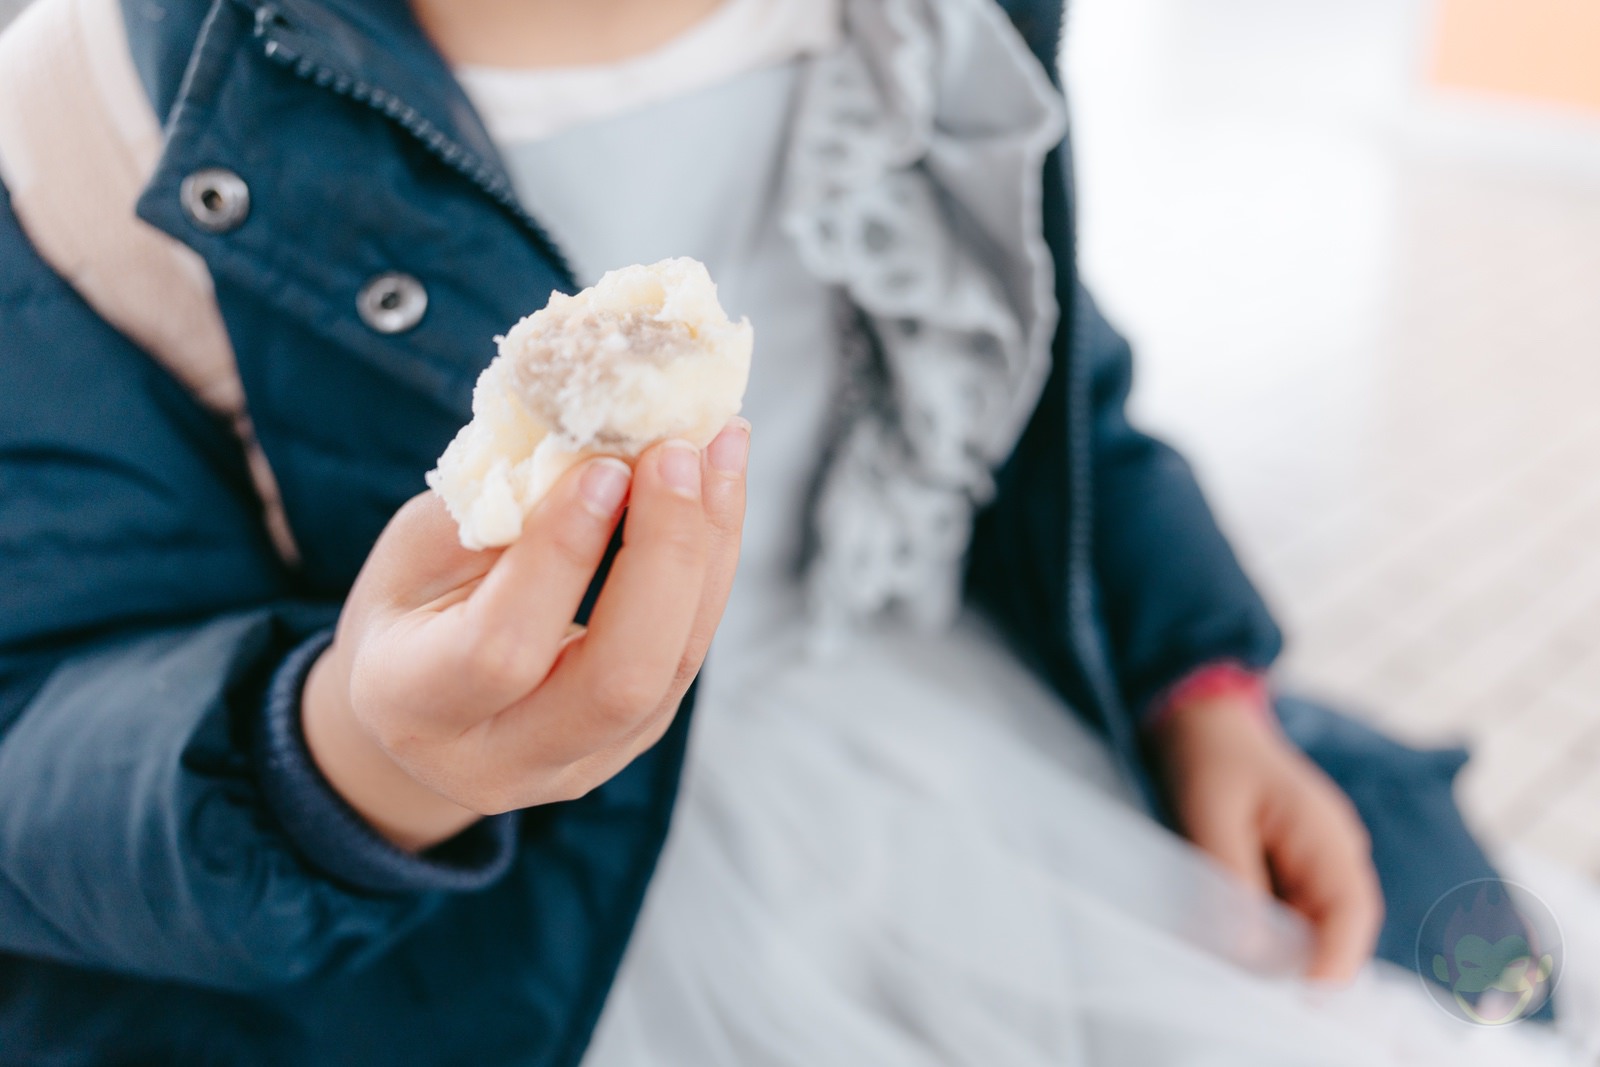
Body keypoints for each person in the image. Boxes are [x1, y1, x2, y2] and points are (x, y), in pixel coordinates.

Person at [0, 0, 1593, 1062]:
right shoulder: (87, 116)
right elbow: (41, 710)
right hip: (494, 929)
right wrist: (352, 761)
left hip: (945, 732)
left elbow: (1035, 376)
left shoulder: (921, 28)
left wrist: (1201, 681)